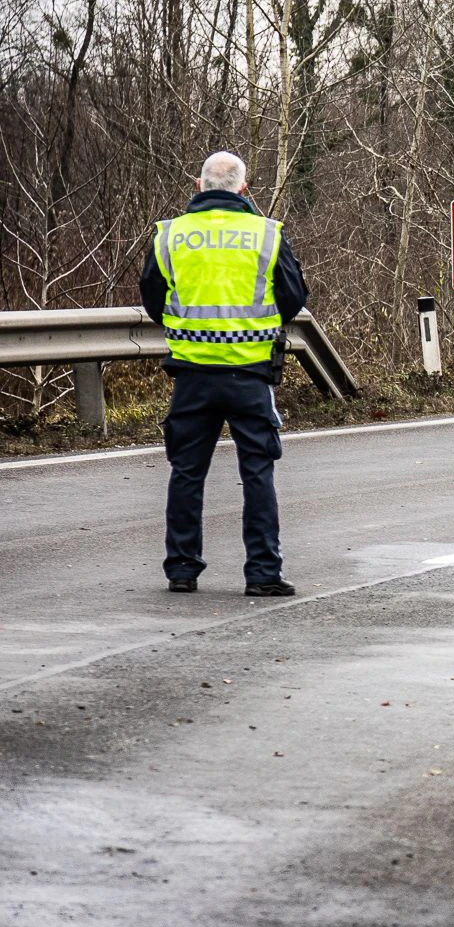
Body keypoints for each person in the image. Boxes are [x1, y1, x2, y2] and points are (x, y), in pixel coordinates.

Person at [140, 151, 308, 596]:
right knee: (258, 473)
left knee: (186, 472)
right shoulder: (266, 234)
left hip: (192, 374)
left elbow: (153, 299)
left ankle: (181, 569)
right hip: (250, 373)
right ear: (244, 189)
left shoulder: (171, 234)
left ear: (199, 186)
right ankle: (263, 574)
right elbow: (293, 296)